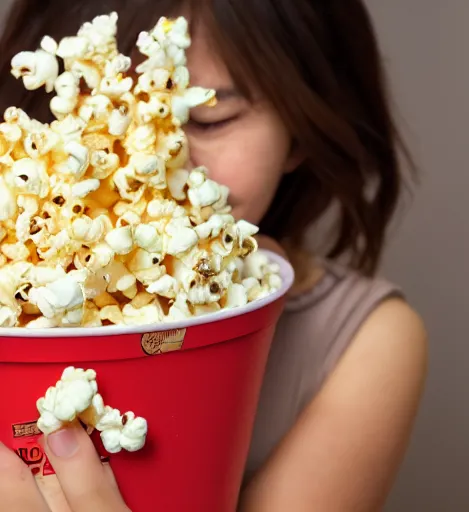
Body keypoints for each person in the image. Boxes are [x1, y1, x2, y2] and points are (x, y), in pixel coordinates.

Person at [0, 0, 428, 510]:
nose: (154, 160)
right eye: (101, 115)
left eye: (207, 118)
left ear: (300, 129)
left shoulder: (367, 343)